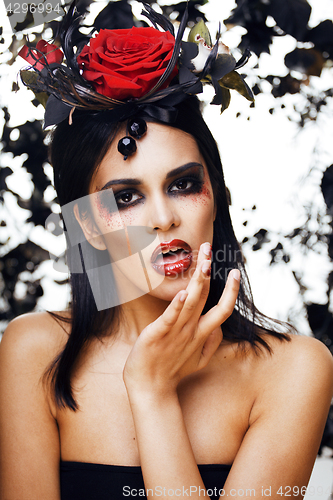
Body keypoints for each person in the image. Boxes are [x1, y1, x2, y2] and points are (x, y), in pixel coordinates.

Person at [0, 3, 332, 499]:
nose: (163, 218)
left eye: (183, 184)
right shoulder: (36, 352)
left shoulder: (295, 369)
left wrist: (153, 395)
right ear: (87, 224)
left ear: (215, 196)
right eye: (126, 197)